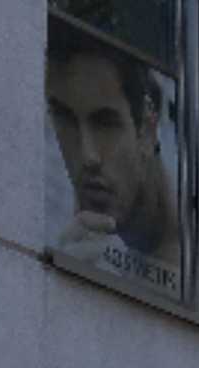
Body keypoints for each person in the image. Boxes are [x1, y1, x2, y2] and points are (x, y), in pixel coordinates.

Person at [46, 27, 183, 293]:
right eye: (66, 120)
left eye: (105, 124)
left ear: (147, 129)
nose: (88, 156)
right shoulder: (50, 215)